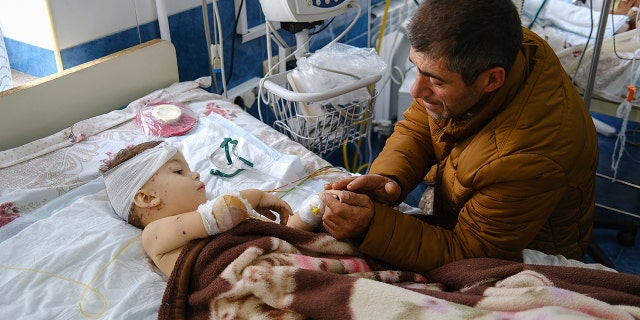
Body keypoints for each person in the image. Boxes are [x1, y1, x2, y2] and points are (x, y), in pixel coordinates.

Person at [321, 0, 599, 274]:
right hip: (469, 206)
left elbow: (471, 254)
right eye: (417, 68)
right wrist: (389, 178)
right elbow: (420, 124)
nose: (416, 90)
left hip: (524, 255)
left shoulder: (529, 156)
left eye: (436, 81)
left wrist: (371, 226)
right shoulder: (494, 47)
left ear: (492, 80)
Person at [102, 141, 293, 277]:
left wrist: (312, 212)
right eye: (178, 171)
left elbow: (287, 238)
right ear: (147, 198)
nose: (195, 174)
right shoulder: (154, 234)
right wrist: (255, 196)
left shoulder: (229, 215)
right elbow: (221, 213)